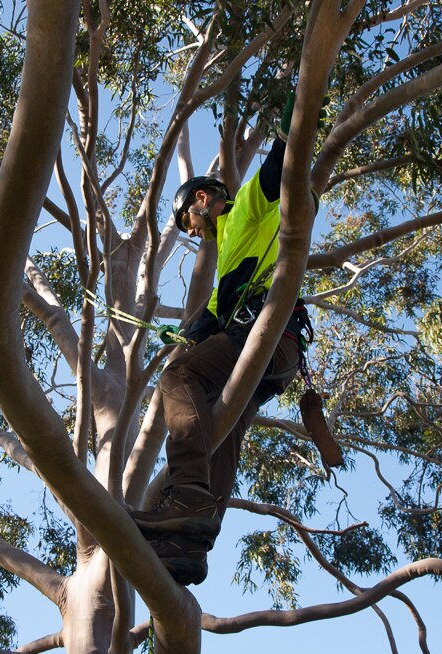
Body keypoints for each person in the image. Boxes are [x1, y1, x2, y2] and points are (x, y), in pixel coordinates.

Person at [130, 103, 312, 585]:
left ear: (206, 197)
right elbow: (209, 315)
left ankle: (187, 493)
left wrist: (293, 114)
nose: (193, 230)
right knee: (222, 432)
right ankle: (192, 540)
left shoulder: (244, 210)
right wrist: (182, 333)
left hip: (264, 336)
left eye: (190, 218)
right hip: (270, 352)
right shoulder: (228, 252)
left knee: (180, 376)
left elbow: (276, 171)